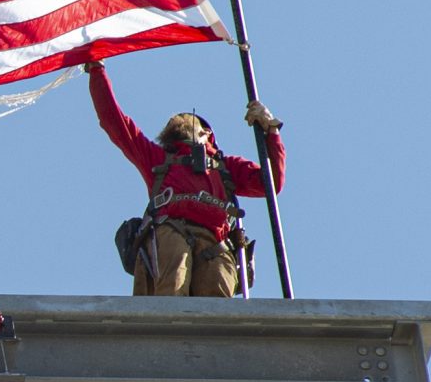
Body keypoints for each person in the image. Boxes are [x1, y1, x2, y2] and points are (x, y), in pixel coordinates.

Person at [87, 58, 285, 299]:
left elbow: (271, 183)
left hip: (215, 241)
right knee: (171, 290)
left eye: (187, 119)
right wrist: (97, 71)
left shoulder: (226, 167)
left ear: (206, 133)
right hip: (171, 230)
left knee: (218, 305)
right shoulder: (158, 159)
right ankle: (165, 334)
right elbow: (115, 122)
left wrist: (271, 132)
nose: (177, 119)